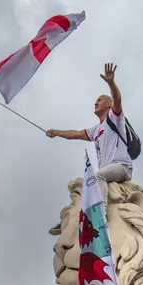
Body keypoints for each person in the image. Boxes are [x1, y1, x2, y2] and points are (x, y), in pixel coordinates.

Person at [46, 63, 132, 235]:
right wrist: (57, 132)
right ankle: (69, 219)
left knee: (97, 176)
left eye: (99, 100)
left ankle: (101, 215)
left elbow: (118, 99)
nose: (95, 102)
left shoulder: (115, 119)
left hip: (121, 167)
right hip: (109, 170)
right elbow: (75, 134)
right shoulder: (96, 129)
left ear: (109, 104)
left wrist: (110, 83)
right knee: (86, 187)